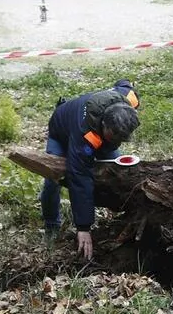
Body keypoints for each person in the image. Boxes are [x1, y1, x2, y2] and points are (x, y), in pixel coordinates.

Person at [41, 80, 141, 260]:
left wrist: (125, 83)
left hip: (98, 134)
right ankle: (51, 225)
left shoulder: (128, 101)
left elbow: (125, 86)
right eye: (115, 136)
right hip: (61, 132)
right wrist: (83, 227)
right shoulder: (84, 134)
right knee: (52, 181)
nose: (118, 140)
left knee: (115, 169)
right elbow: (79, 178)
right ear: (105, 125)